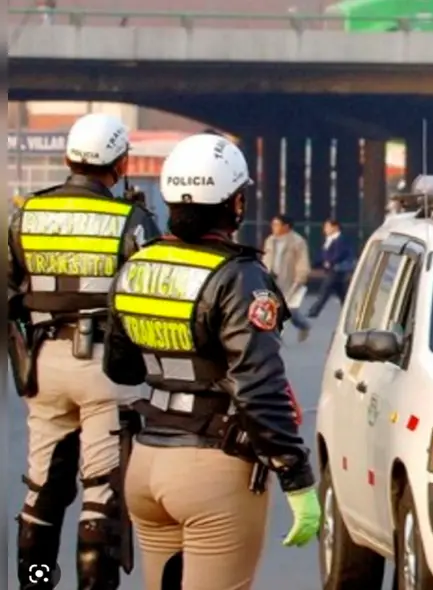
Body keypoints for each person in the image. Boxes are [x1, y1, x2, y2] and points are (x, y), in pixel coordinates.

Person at [102, 133, 321, 590]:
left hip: (146, 463)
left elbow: (121, 368)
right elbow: (260, 388)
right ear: (234, 203)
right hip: (213, 469)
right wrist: (297, 478)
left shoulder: (137, 266)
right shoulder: (240, 277)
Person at [7, 112, 161, 589]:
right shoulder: (130, 220)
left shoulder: (24, 214)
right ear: (119, 163)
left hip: (42, 365)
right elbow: (150, 293)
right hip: (104, 368)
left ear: (67, 159)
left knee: (42, 493)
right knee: (100, 497)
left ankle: (34, 582)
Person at [262, 214, 311, 341]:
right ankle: (275, 336)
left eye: (276, 224)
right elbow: (266, 258)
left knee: (291, 312)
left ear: (286, 226)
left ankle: (303, 325)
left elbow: (302, 261)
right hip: (272, 279)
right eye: (273, 224)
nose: (273, 227)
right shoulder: (270, 240)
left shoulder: (297, 241)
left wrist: (301, 277)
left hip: (290, 281)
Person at [306, 219, 355, 318]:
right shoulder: (329, 239)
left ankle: (314, 311)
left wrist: (329, 261)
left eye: (328, 227)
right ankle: (349, 311)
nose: (325, 229)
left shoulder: (341, 239)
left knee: (325, 290)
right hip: (332, 270)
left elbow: (340, 254)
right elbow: (323, 254)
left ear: (335, 227)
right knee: (342, 293)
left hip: (338, 269)